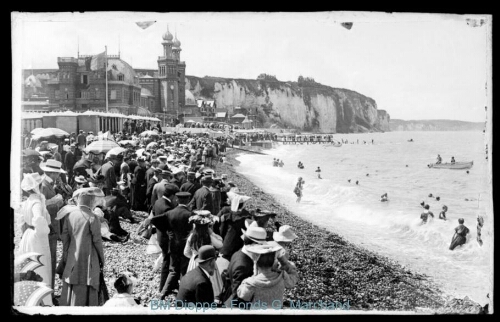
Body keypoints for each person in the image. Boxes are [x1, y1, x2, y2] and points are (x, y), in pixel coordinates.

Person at [59, 187, 105, 306]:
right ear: (91, 201)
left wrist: (65, 256)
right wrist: (102, 259)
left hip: (72, 254)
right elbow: (97, 241)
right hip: (89, 256)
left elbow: (65, 238)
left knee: (72, 281)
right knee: (87, 282)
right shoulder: (93, 217)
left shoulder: (69, 215)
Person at [17, 173, 54, 306]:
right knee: (41, 265)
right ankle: (42, 301)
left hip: (28, 234)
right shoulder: (37, 202)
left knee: (31, 265)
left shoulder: (28, 201)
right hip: (36, 236)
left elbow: (21, 220)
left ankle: (29, 297)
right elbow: (38, 219)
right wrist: (45, 231)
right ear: (36, 186)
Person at [236, 243, 298, 309]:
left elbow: (242, 295)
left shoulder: (250, 283)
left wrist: (254, 276)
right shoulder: (282, 276)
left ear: (256, 263)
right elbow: (293, 279)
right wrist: (285, 262)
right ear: (273, 263)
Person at [144, 185, 177, 297]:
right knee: (167, 261)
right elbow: (171, 225)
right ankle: (163, 286)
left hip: (159, 235)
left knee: (166, 259)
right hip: (166, 237)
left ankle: (169, 284)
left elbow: (153, 214)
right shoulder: (167, 207)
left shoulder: (158, 202)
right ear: (172, 196)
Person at [159, 192, 193, 298]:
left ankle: (163, 293)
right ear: (188, 201)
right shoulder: (190, 215)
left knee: (173, 270)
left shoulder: (170, 213)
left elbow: (156, 220)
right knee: (184, 270)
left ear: (177, 200)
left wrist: (167, 232)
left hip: (173, 245)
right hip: (185, 246)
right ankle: (183, 295)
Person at [183, 211, 223, 301]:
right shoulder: (209, 236)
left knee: (194, 281)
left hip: (195, 260)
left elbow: (186, 252)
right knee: (210, 282)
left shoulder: (191, 236)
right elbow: (220, 244)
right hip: (207, 262)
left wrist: (193, 257)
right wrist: (212, 233)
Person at [223, 226, 267, 306]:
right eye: (261, 245)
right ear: (254, 244)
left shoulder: (239, 253)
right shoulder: (243, 266)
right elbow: (238, 297)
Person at [218, 190, 252, 261]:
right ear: (243, 205)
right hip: (239, 245)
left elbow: (221, 227)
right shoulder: (246, 215)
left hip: (226, 243)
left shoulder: (226, 213)